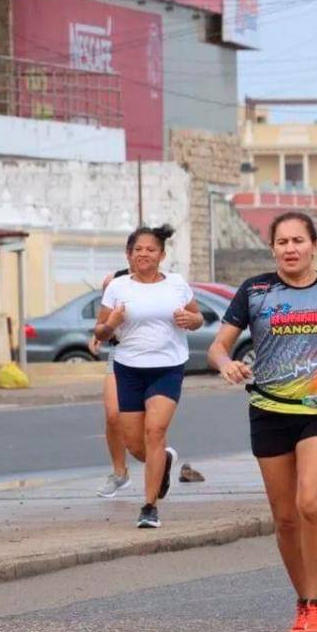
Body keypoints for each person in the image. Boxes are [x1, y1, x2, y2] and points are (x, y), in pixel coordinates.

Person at [208, 211, 317, 632]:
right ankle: (303, 600)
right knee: (284, 519)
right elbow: (219, 346)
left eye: (299, 240)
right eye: (282, 242)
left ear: (315, 245)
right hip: (270, 410)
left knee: (312, 504)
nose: (291, 249)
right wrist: (226, 365)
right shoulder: (255, 291)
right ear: (273, 249)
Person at [95, 225, 203, 529]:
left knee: (155, 431)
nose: (144, 254)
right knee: (135, 443)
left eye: (150, 249)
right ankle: (164, 461)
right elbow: (100, 332)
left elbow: (199, 318)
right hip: (128, 369)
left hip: (168, 367)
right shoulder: (117, 287)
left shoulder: (177, 284)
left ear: (162, 255)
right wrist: (112, 322)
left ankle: (149, 506)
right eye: (138, 249)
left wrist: (191, 319)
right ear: (129, 254)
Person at [93, 266, 133, 498]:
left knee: (150, 421)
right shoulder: (118, 282)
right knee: (113, 414)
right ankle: (119, 473)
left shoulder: (161, 284)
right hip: (119, 353)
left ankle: (160, 466)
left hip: (153, 356)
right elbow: (103, 322)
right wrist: (97, 335)